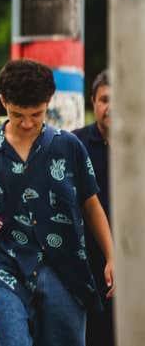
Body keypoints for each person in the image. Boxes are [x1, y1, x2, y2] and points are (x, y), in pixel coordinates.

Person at [0, 59, 115, 346]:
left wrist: (112, 257)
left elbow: (91, 204)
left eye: (36, 114)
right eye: (16, 115)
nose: (26, 123)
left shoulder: (69, 146)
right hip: (6, 265)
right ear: (2, 102)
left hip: (64, 267)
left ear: (48, 101)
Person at [73, 70, 112, 346]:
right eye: (105, 99)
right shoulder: (75, 144)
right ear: (93, 103)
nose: (112, 107)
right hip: (86, 259)